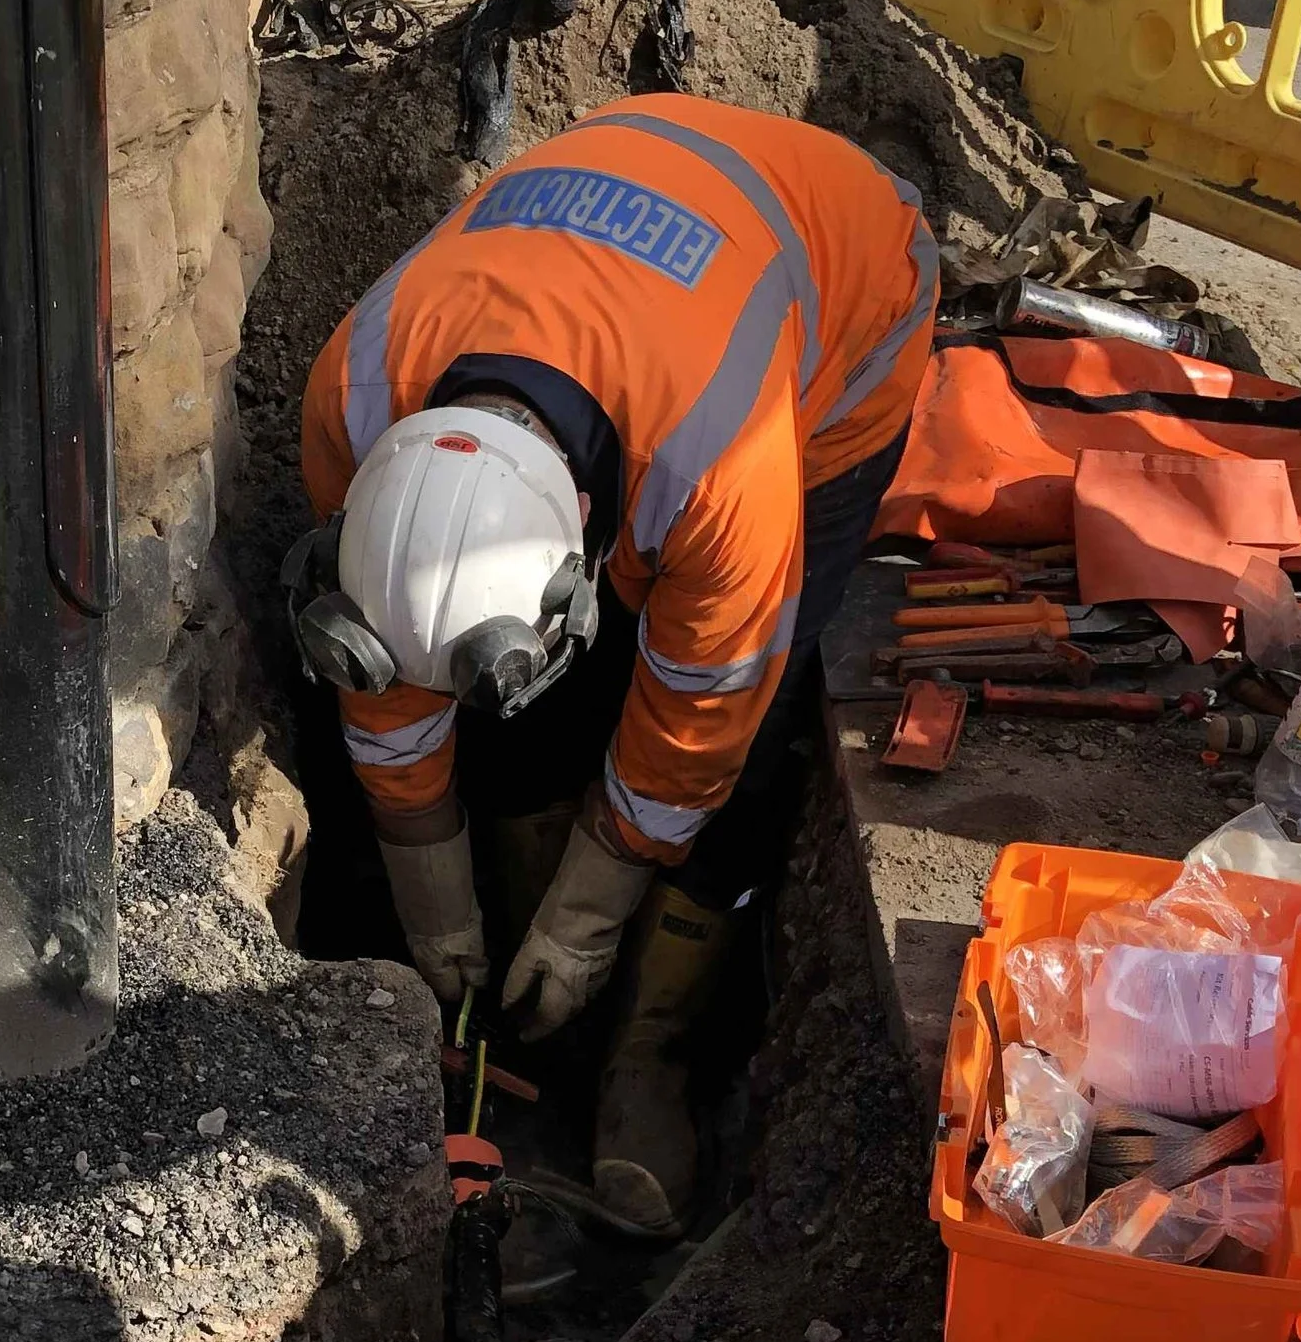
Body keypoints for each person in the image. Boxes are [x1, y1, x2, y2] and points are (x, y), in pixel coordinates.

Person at [289, 92, 937, 1231]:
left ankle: (648, 1050)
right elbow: (387, 674)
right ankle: (521, 972)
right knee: (535, 694)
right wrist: (436, 911)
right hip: (634, 223)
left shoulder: (721, 465)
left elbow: (696, 728)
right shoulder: (355, 397)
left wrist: (587, 916)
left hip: (841, 301)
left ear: (586, 522)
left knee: (753, 702)